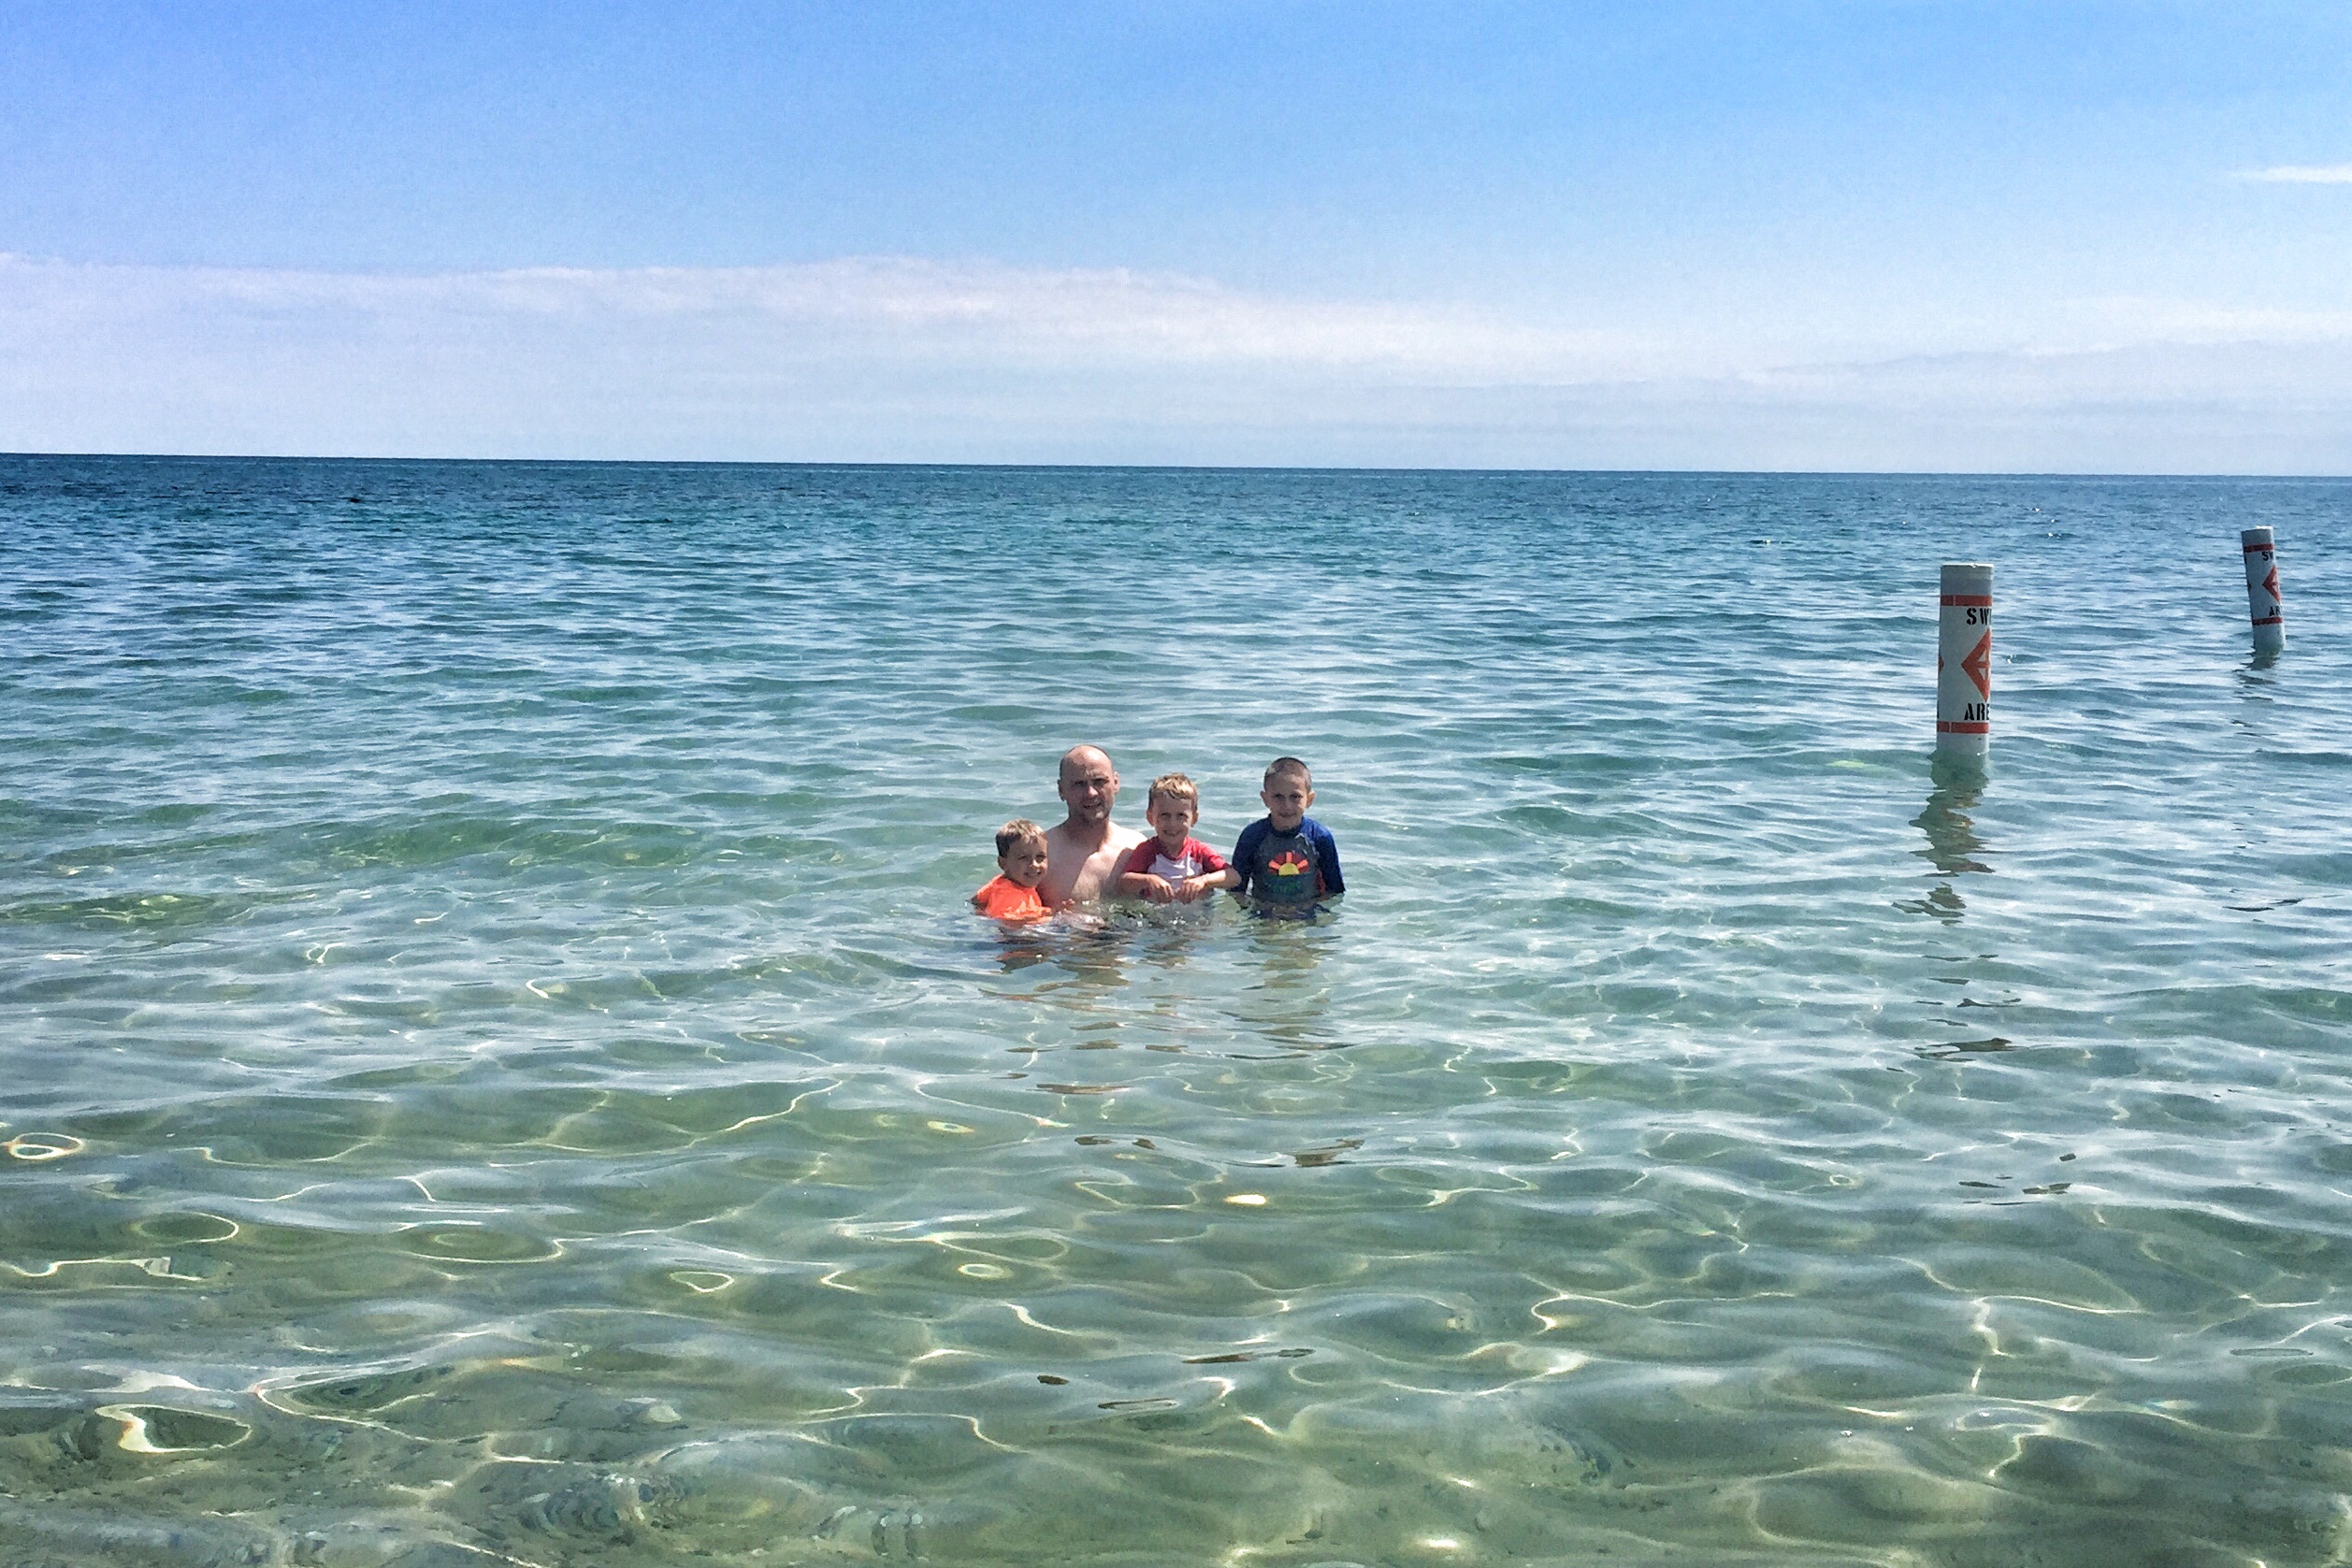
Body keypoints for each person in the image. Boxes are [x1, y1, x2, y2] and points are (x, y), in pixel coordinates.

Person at [1231, 756, 1344, 913]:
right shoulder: (1252, 837)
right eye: (1278, 797)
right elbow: (1236, 889)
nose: (1287, 806)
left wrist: (1312, 910)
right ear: (1265, 799)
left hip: (1307, 914)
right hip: (1263, 915)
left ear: (1309, 799)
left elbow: (1335, 891)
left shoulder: (1320, 837)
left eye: (1295, 797)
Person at [1039, 745, 1147, 907]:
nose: (1091, 793)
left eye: (1099, 782)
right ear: (1061, 790)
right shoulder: (1041, 856)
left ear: (1116, 783)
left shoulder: (1137, 847)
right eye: (1079, 784)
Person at [1111, 773, 1239, 904]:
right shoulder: (1147, 851)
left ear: (1194, 818)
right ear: (1150, 817)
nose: (1172, 824)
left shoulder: (1199, 852)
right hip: (1155, 915)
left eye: (1181, 816)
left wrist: (1204, 881)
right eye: (1165, 815)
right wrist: (1149, 880)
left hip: (1198, 915)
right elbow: (1124, 883)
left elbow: (1233, 877)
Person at [973, 819, 1054, 921]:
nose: (1034, 864)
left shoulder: (999, 881)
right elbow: (1007, 921)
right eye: (1023, 857)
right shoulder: (1009, 895)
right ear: (1003, 863)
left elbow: (977, 900)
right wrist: (1048, 916)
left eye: (1040, 857)